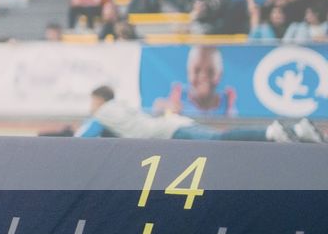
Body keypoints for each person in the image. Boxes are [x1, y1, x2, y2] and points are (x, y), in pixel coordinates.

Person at [73, 86, 317, 142]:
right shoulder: (119, 105)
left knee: (218, 140)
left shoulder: (102, 112)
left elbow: (81, 139)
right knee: (218, 139)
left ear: (100, 100)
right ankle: (298, 130)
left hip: (168, 131)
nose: (90, 105)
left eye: (92, 100)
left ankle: (273, 132)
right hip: (170, 125)